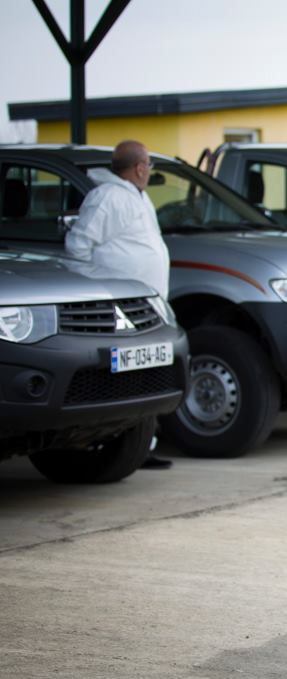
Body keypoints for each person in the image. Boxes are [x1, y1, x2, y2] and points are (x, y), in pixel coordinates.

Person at [65, 139, 173, 470]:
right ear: (139, 167)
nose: (150, 171)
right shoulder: (107, 197)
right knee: (126, 377)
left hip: (147, 307)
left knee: (148, 373)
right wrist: (100, 290)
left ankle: (144, 444)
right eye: (149, 165)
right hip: (120, 309)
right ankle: (123, 445)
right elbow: (78, 246)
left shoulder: (138, 197)